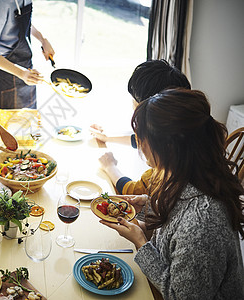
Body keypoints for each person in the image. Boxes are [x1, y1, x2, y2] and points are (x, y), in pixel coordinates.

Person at [100, 88, 244, 299]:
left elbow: (180, 296)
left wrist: (141, 243)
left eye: (142, 138)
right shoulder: (186, 176)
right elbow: (175, 231)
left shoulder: (202, 224)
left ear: (168, 148)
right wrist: (148, 208)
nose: (140, 144)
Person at [93, 60, 191, 194]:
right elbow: (140, 140)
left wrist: (110, 166)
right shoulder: (185, 129)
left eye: (135, 105)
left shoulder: (167, 165)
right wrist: (107, 137)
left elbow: (133, 190)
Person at [0, 0, 55, 109]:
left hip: (25, 68)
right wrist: (21, 73)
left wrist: (42, 39)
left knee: (29, 119)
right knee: (10, 124)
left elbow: (19, 21)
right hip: (5, 75)